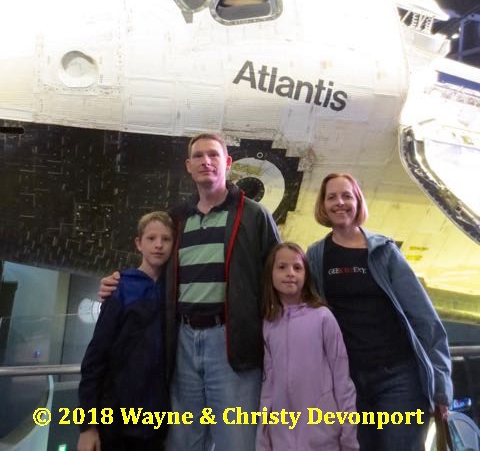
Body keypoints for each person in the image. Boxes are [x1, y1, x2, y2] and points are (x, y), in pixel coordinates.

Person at [99, 133, 281, 451]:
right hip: (182, 343)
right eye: (198, 156)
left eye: (213, 155)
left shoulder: (254, 215)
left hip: (231, 345)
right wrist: (119, 283)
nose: (205, 161)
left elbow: (276, 275)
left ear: (227, 163)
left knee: (236, 442)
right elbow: (155, 269)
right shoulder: (177, 219)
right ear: (188, 165)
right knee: (182, 441)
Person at [306, 173, 453, 451]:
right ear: (323, 205)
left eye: (347, 196)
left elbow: (424, 318)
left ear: (358, 201)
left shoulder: (384, 251)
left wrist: (441, 386)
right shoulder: (316, 256)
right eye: (332, 197)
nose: (340, 203)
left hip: (398, 379)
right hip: (350, 384)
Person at [77, 211, 174, 451]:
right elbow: (95, 358)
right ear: (139, 243)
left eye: (166, 239)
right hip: (116, 418)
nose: (159, 245)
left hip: (158, 421)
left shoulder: (174, 289)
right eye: (151, 238)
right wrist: (87, 426)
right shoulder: (121, 288)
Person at [257, 242, 359, 451]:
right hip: (281, 437)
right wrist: (263, 438)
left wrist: (349, 436)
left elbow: (342, 379)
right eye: (282, 267)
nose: (290, 273)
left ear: (306, 274)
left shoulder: (323, 317)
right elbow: (268, 385)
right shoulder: (269, 322)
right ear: (271, 274)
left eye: (297, 267)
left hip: (323, 436)